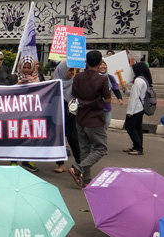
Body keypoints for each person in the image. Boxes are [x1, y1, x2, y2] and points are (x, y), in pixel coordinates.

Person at [69, 50, 111, 188]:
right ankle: (79, 168)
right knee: (101, 148)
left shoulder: (78, 77)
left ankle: (86, 180)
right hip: (95, 119)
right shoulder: (102, 79)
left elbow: (74, 94)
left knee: (85, 149)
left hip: (80, 117)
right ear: (100, 63)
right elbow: (108, 99)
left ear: (86, 61)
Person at [11, 55, 40, 173]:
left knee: (30, 137)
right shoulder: (14, 77)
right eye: (25, 67)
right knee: (16, 137)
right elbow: (6, 91)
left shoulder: (38, 78)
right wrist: (18, 85)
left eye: (29, 67)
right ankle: (13, 161)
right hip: (17, 112)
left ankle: (28, 160)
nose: (27, 70)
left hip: (32, 112)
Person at [52, 61, 81, 173]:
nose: (72, 73)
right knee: (59, 139)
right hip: (57, 115)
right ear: (63, 70)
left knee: (73, 138)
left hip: (71, 115)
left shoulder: (75, 82)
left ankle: (80, 163)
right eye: (70, 70)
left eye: (73, 70)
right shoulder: (54, 83)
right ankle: (60, 164)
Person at [123, 63, 153, 156]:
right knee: (137, 128)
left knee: (129, 127)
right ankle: (137, 147)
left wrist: (130, 112)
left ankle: (138, 148)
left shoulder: (138, 81)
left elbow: (134, 97)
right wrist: (127, 91)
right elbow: (136, 94)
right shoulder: (144, 80)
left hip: (136, 108)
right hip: (141, 107)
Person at [98, 59, 123, 130]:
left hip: (107, 106)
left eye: (104, 64)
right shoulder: (94, 77)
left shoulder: (110, 78)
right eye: (101, 65)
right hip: (96, 106)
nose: (103, 66)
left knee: (107, 123)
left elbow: (115, 89)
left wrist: (119, 98)